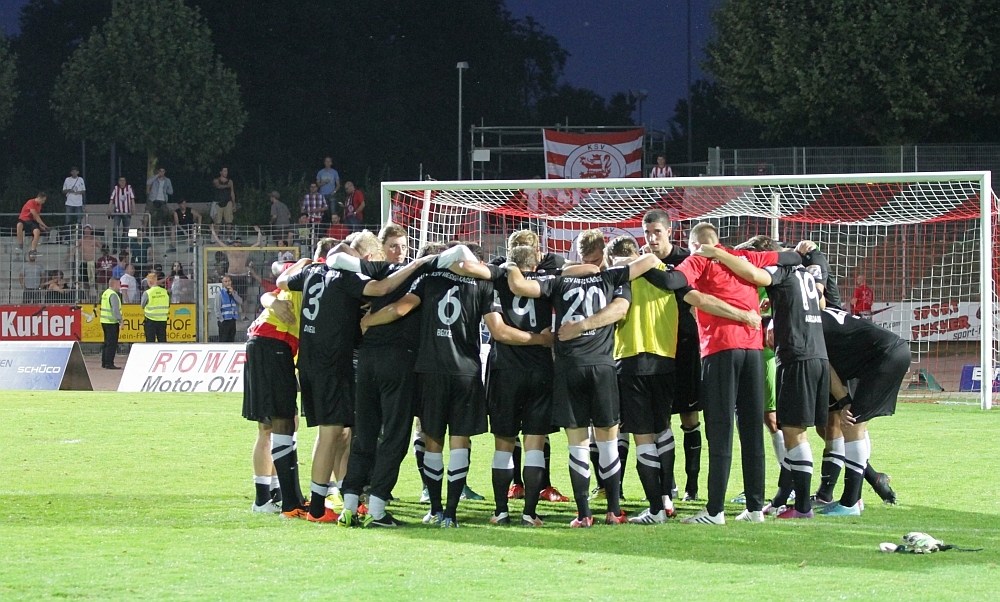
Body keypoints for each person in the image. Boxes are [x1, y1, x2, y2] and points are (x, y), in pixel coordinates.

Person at [277, 238, 433, 524]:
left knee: (343, 433)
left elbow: (282, 280)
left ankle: (343, 500)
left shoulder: (312, 272)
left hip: (309, 362)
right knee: (334, 434)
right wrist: (417, 265)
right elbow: (382, 289)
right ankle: (318, 509)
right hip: (332, 363)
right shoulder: (344, 276)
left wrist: (298, 267)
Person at [505, 248, 665, 527]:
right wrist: (620, 263)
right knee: (608, 443)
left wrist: (507, 264)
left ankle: (583, 514)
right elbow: (651, 260)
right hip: (602, 367)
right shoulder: (610, 277)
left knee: (577, 443)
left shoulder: (557, 281)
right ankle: (614, 511)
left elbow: (518, 285)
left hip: (569, 368)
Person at [670, 222, 800, 525]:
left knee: (720, 429)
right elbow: (791, 257)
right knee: (753, 430)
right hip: (753, 351)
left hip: (720, 349)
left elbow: (676, 280)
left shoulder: (699, 260)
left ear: (695, 245)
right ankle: (755, 508)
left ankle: (715, 510)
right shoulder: (744, 258)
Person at [359, 244, 495, 528]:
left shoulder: (428, 278)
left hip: (431, 369)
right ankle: (451, 514)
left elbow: (399, 308)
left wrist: (370, 319)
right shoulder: (482, 284)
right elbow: (494, 326)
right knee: (460, 440)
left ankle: (435, 509)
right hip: (466, 371)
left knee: (433, 440)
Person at [698, 237, 829, 519]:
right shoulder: (803, 273)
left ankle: (802, 506)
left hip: (795, 355)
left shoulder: (778, 268)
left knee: (793, 431)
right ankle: (791, 497)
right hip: (819, 354)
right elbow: (820, 300)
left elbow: (755, 275)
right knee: (809, 429)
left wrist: (720, 255)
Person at [338, 236, 445, 527]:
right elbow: (400, 309)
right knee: (395, 436)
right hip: (397, 360)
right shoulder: (423, 277)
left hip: (367, 358)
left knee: (365, 434)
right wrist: (370, 321)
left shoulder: (381, 272)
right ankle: (377, 510)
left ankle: (349, 506)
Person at [481, 245, 558, 527]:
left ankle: (501, 511)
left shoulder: (496, 283)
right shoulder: (549, 284)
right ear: (536, 265)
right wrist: (540, 340)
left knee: (504, 443)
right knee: (535, 444)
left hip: (506, 370)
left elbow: (499, 332)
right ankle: (529, 514)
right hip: (540, 370)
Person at [815, 307, 909, 516]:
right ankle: (855, 498)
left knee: (852, 425)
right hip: (884, 354)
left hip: (885, 356)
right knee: (853, 425)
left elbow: (826, 366)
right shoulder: (817, 315)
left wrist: (844, 401)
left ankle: (850, 503)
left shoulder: (808, 324)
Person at [639, 209, 704, 502]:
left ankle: (692, 486)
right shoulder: (640, 262)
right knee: (660, 419)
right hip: (655, 347)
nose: (652, 238)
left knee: (689, 417)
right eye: (647, 233)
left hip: (686, 346)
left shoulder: (685, 260)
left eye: (657, 232)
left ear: (669, 232)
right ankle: (669, 484)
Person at [244, 260, 307, 517]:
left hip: (276, 346)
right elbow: (277, 275)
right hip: (271, 342)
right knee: (270, 426)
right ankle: (262, 499)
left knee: (287, 422)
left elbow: (271, 292)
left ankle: (277, 492)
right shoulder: (308, 272)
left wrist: (269, 299)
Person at [100, 277, 124, 370]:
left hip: (104, 321)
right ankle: (109, 363)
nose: (120, 286)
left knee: (107, 342)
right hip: (111, 322)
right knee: (112, 343)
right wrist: (120, 321)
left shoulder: (106, 293)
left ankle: (104, 362)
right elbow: (115, 309)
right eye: (119, 284)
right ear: (115, 284)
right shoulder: (113, 295)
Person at [70, 225, 100, 296]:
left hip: (92, 262)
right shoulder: (81, 240)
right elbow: (75, 248)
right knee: (85, 282)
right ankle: (87, 297)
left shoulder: (94, 240)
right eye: (85, 230)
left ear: (91, 231)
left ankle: (98, 296)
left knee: (95, 281)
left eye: (88, 230)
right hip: (84, 263)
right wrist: (70, 255)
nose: (87, 232)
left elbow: (102, 247)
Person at [140, 270, 170, 342]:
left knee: (150, 341)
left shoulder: (147, 293)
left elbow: (142, 305)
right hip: (162, 320)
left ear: (149, 282)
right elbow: (168, 304)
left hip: (150, 320)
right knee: (162, 340)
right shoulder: (164, 291)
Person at [108, 177, 135, 252]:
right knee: (115, 229)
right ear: (118, 182)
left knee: (126, 231)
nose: (122, 182)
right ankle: (115, 247)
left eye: (123, 180)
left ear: (125, 181)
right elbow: (111, 200)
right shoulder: (116, 189)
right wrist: (109, 209)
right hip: (117, 212)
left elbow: (132, 199)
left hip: (127, 212)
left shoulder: (129, 188)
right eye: (120, 180)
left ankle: (123, 248)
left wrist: (133, 209)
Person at [215, 275, 242, 342]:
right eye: (225, 281)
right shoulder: (220, 293)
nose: (228, 283)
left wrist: (233, 293)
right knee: (223, 340)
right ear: (223, 283)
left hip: (232, 319)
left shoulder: (234, 293)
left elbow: (240, 301)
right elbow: (217, 308)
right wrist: (221, 320)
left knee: (231, 339)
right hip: (224, 320)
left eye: (229, 281)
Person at [146, 167, 174, 232]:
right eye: (160, 171)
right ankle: (145, 231)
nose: (161, 173)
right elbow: (148, 182)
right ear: (158, 171)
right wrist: (157, 176)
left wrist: (165, 190)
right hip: (153, 200)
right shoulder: (154, 178)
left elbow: (171, 191)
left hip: (163, 201)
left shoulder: (167, 180)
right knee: (147, 215)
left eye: (163, 171)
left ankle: (160, 233)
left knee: (162, 218)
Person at [212, 167, 236, 239]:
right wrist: (227, 186)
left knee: (229, 221)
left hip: (228, 201)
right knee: (217, 222)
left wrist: (234, 204)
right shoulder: (216, 180)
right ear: (221, 172)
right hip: (218, 202)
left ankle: (228, 237)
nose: (226, 172)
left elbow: (232, 193)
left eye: (227, 171)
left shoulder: (230, 181)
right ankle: (216, 238)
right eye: (224, 171)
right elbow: (218, 186)